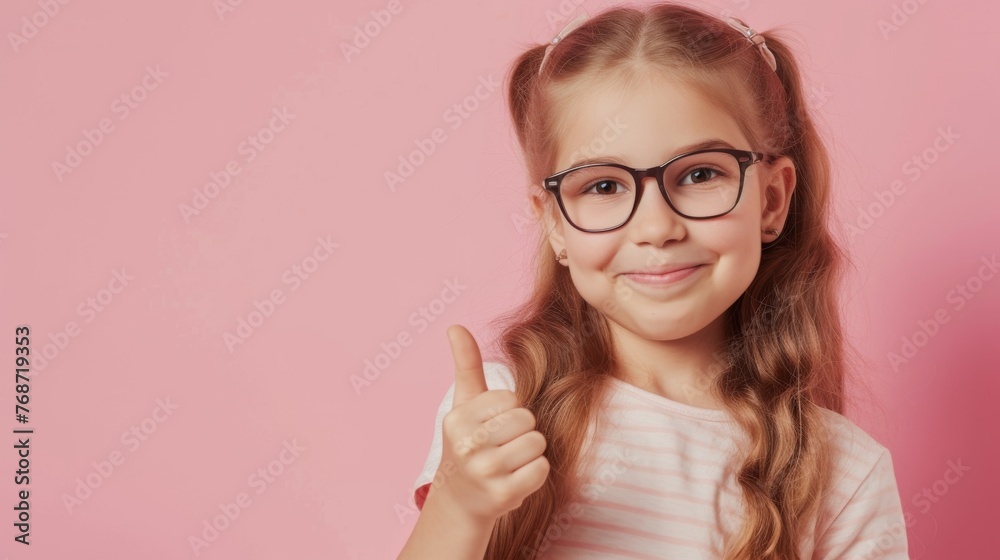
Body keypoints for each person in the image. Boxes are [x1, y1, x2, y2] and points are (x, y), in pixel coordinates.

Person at [397, 3, 909, 559]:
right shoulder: (502, 412)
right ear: (554, 224)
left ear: (772, 199)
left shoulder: (846, 475)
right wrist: (460, 506)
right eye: (603, 186)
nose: (657, 227)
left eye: (700, 174)